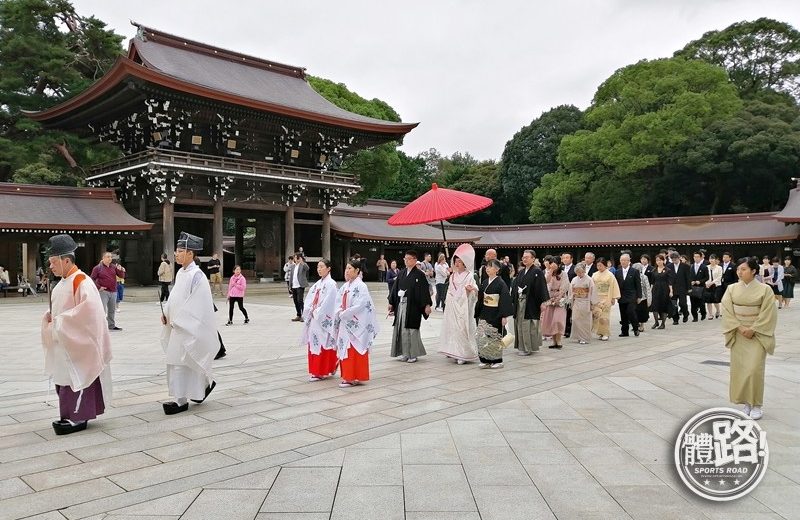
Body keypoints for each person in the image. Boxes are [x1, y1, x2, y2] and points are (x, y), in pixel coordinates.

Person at [40, 234, 112, 435]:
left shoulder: (82, 281)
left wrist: (61, 321)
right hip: (64, 342)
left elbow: (89, 313)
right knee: (64, 378)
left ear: (66, 260)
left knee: (76, 378)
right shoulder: (63, 282)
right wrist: (49, 316)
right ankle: (69, 415)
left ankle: (78, 417)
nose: (51, 266)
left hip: (78, 344)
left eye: (53, 262)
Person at [159, 232, 217, 415]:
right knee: (176, 361)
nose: (176, 254)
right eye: (176, 251)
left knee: (184, 362)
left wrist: (182, 320)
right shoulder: (181, 272)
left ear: (190, 254)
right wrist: (166, 313)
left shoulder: (197, 275)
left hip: (186, 326)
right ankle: (188, 393)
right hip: (176, 325)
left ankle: (181, 400)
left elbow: (199, 303)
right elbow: (175, 296)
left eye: (180, 251)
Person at [721, 257, 778, 420]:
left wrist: (754, 329)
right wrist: (739, 327)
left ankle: (757, 404)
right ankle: (746, 403)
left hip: (757, 334)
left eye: (744, 269)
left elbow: (769, 312)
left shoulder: (765, 290)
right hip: (738, 333)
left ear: (754, 271)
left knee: (754, 369)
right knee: (741, 370)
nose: (739, 272)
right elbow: (726, 310)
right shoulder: (731, 289)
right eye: (739, 269)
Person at [334, 258, 379, 387]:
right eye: (346, 268)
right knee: (346, 349)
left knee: (354, 349)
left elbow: (361, 305)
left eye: (350, 269)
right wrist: (339, 311)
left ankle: (353, 376)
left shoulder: (361, 286)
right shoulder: (346, 286)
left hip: (356, 324)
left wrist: (344, 313)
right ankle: (349, 376)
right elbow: (338, 301)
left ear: (357, 270)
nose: (347, 271)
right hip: (345, 322)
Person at [388, 250, 432, 363]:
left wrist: (427, 305)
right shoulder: (402, 273)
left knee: (412, 330)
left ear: (414, 260)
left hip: (413, 305)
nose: (406, 261)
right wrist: (391, 303)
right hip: (401, 304)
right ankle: (405, 353)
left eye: (408, 259)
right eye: (405, 259)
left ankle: (413, 354)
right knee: (401, 328)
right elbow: (394, 289)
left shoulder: (420, 275)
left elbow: (424, 291)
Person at [438, 244, 479, 364]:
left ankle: (463, 354)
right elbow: (449, 290)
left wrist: (471, 290)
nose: (457, 264)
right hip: (453, 305)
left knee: (463, 328)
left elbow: (475, 289)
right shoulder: (452, 276)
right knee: (453, 328)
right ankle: (455, 351)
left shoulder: (469, 275)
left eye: (460, 262)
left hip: (464, 305)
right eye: (456, 261)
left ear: (465, 263)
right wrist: (452, 298)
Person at [301, 259, 338, 382]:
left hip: (322, 319)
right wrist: (309, 309)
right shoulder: (317, 284)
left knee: (324, 343)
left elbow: (330, 303)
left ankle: (321, 371)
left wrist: (317, 311)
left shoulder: (331, 284)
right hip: (314, 318)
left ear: (329, 268)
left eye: (322, 266)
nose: (319, 269)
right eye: (318, 267)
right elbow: (309, 299)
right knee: (315, 343)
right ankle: (318, 370)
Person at [475, 258, 513, 368]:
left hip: (496, 312)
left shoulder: (501, 283)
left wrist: (504, 316)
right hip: (485, 311)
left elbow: (505, 299)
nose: (487, 269)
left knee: (494, 336)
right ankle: (485, 359)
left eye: (490, 267)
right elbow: (481, 297)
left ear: (497, 269)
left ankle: (497, 360)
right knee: (483, 336)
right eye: (487, 266)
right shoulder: (485, 282)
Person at [510, 249, 549, 356]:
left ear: (533, 259)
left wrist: (543, 302)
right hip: (520, 301)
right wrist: (514, 296)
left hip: (530, 302)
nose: (524, 259)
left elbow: (542, 287)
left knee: (527, 325)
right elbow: (515, 285)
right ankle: (522, 346)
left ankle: (527, 348)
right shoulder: (521, 272)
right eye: (523, 257)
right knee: (519, 323)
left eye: (527, 257)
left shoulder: (537, 272)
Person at [90, 252, 125, 331]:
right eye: (108, 257)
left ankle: (111, 325)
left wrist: (121, 270)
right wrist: (99, 287)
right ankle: (100, 326)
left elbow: (121, 276)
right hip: (103, 292)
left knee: (112, 310)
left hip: (113, 291)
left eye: (111, 257)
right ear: (103, 258)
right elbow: (92, 278)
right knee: (102, 310)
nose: (110, 258)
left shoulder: (113, 267)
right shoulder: (97, 268)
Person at [541, 255, 570, 349]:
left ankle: (559, 340)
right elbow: (546, 281)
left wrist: (559, 297)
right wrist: (550, 271)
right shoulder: (549, 272)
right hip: (550, 298)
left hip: (559, 298)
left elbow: (565, 286)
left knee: (558, 320)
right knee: (550, 320)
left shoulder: (563, 274)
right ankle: (554, 341)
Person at [591, 258, 620, 341]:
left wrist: (613, 298)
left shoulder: (610, 275)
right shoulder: (594, 274)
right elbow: (592, 286)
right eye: (598, 266)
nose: (599, 267)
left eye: (601, 265)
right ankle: (600, 332)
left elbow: (613, 286)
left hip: (607, 297)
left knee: (604, 316)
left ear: (605, 265)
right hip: (597, 297)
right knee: (597, 316)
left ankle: (606, 333)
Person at [569, 264, 598, 344]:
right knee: (575, 319)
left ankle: (584, 338)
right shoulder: (574, 279)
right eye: (577, 272)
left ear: (584, 271)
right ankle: (578, 336)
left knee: (585, 321)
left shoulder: (589, 280)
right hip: (576, 301)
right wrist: (572, 298)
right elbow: (571, 291)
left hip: (586, 301)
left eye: (581, 272)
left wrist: (592, 303)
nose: (579, 274)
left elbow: (593, 291)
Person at [615, 253, 642, 337]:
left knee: (631, 312)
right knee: (623, 314)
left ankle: (635, 328)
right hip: (622, 295)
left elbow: (638, 284)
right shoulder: (617, 272)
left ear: (629, 261)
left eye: (624, 260)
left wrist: (639, 296)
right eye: (621, 260)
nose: (623, 262)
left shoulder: (634, 271)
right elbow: (616, 285)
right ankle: (624, 331)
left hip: (632, 295)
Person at [649, 254, 674, 329]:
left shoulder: (667, 270)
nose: (658, 262)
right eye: (657, 260)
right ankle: (656, 322)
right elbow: (652, 282)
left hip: (664, 289)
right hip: (656, 289)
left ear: (663, 260)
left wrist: (671, 291)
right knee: (655, 306)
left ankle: (663, 323)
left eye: (660, 260)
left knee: (664, 305)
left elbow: (670, 282)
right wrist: (650, 291)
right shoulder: (653, 270)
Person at [668, 252, 691, 324]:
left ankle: (685, 314)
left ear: (679, 258)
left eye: (675, 259)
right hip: (673, 288)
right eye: (673, 259)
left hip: (682, 288)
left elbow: (688, 278)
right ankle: (675, 319)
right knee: (673, 305)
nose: (674, 261)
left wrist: (689, 288)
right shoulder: (669, 266)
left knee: (682, 303)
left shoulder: (685, 266)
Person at [689, 251, 709, 321]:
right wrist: (690, 281)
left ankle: (703, 314)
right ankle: (695, 317)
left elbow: (707, 277)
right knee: (693, 302)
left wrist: (700, 281)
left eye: (697, 257)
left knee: (701, 302)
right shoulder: (691, 266)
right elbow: (688, 276)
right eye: (695, 257)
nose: (696, 258)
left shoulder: (704, 267)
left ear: (701, 258)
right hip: (693, 287)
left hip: (701, 287)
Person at [290, 253, 309, 322]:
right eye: (294, 257)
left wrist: (302, 262)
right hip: (294, 286)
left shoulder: (302, 265)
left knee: (300, 300)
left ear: (299, 258)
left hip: (300, 286)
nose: (295, 259)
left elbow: (307, 268)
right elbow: (291, 277)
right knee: (295, 301)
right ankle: (298, 315)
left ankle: (304, 315)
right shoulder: (292, 266)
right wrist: (290, 286)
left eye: (296, 257)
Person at [561, 252, 576, 338]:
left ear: (571, 259)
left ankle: (569, 330)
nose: (565, 259)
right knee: (563, 312)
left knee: (570, 312)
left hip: (571, 293)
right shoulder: (561, 268)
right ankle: (563, 329)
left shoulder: (574, 268)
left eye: (567, 258)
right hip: (562, 293)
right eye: (564, 258)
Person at [632, 262, 651, 332]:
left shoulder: (644, 277)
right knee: (634, 312)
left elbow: (647, 288)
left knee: (642, 313)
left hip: (643, 298)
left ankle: (642, 325)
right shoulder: (631, 276)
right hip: (633, 297)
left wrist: (649, 299)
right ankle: (636, 324)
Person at [704, 254, 723, 319]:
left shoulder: (719, 268)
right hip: (708, 286)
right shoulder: (706, 267)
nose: (711, 260)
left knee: (715, 300)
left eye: (713, 259)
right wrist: (707, 283)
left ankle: (718, 311)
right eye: (710, 259)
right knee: (708, 300)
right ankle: (710, 314)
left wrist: (712, 283)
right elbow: (704, 277)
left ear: (716, 260)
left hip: (716, 285)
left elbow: (719, 277)